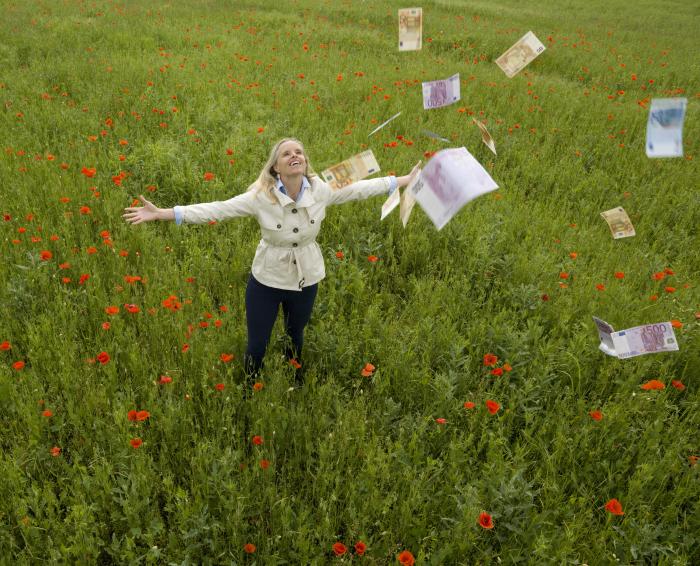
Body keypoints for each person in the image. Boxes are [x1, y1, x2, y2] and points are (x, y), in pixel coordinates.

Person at [123, 137, 419, 388]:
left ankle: (296, 380)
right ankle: (250, 387)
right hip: (267, 277)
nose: (295, 156)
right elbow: (218, 209)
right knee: (257, 343)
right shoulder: (260, 196)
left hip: (306, 275)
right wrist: (163, 212)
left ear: (305, 162)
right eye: (287, 153)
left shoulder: (323, 188)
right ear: (276, 167)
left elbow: (363, 186)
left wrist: (406, 180)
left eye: (299, 152)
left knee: (296, 334)